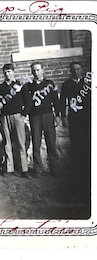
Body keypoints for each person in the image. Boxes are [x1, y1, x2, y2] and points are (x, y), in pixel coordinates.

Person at [0, 63, 32, 178]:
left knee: (20, 143)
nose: (7, 74)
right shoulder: (0, 88)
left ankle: (24, 169)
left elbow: (29, 101)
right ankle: (9, 168)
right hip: (4, 117)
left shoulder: (20, 86)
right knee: (7, 143)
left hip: (18, 116)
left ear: (13, 72)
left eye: (9, 71)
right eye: (5, 72)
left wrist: (23, 115)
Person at [60, 61, 91, 195]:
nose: (76, 71)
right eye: (73, 69)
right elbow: (62, 101)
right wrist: (63, 116)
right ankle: (79, 168)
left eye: (78, 69)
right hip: (74, 117)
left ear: (81, 69)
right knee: (76, 143)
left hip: (88, 117)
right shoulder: (67, 84)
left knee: (89, 141)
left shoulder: (87, 83)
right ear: (70, 71)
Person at [26, 61, 60, 177]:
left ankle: (54, 169)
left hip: (48, 115)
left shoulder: (49, 84)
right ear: (31, 72)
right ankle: (38, 169)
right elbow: (26, 102)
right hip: (34, 117)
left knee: (51, 142)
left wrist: (58, 116)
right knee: (36, 142)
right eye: (34, 70)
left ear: (43, 70)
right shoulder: (28, 86)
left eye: (38, 70)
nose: (36, 72)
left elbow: (56, 100)